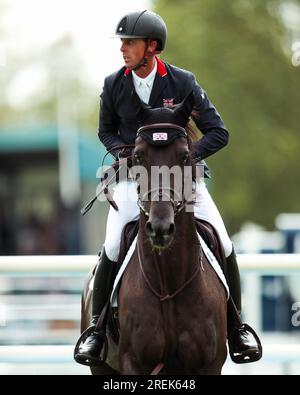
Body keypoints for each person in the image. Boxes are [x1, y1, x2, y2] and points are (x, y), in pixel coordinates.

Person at [75, 10, 260, 365]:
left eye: (129, 42)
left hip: (182, 179)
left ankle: (237, 328)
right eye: (122, 43)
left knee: (223, 240)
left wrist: (188, 157)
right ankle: (97, 332)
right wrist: (126, 155)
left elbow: (218, 132)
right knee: (113, 243)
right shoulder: (114, 84)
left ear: (152, 47)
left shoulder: (183, 82)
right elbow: (106, 131)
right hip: (136, 179)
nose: (123, 49)